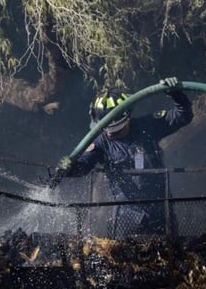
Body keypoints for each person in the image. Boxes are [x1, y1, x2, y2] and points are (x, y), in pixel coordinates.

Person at [57, 77, 193, 236]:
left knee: (168, 255)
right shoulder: (102, 142)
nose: (110, 133)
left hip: (160, 210)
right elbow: (84, 165)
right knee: (121, 257)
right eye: (106, 129)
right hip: (126, 214)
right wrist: (68, 168)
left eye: (114, 129)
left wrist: (175, 94)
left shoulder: (148, 126)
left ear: (126, 118)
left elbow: (183, 116)